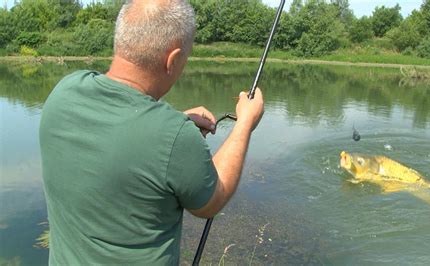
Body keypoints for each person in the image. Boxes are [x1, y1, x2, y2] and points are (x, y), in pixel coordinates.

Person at [39, 0, 264, 264]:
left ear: (121, 40)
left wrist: (173, 125)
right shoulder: (173, 137)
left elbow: (117, 123)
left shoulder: (63, 92)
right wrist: (245, 124)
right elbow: (213, 200)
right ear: (173, 59)